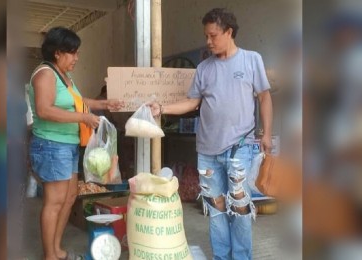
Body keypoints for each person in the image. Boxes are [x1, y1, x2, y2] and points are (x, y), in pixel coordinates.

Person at [150, 8, 273, 259]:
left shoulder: (251, 60)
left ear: (229, 32)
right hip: (206, 152)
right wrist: (162, 108)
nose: (208, 41)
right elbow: (192, 102)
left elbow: (265, 97)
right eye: (206, 35)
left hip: (239, 149)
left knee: (239, 209)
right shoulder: (204, 68)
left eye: (213, 35)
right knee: (215, 210)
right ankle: (221, 256)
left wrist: (267, 133)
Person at [28, 27, 123, 260]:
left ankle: (56, 249)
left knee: (70, 197)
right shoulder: (45, 74)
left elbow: (79, 102)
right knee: (54, 201)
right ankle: (49, 255)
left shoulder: (64, 76)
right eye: (73, 53)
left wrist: (105, 104)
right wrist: (83, 117)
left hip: (68, 145)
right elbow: (44, 109)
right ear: (58, 53)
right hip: (52, 145)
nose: (77, 58)